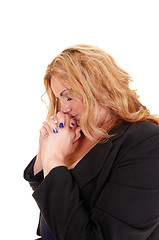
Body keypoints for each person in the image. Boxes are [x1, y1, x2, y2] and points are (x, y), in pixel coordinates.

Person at [24, 44, 159, 240]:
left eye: (69, 96)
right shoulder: (79, 134)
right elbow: (54, 210)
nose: (64, 108)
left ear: (100, 87)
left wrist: (54, 159)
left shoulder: (147, 143)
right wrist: (45, 150)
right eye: (59, 98)